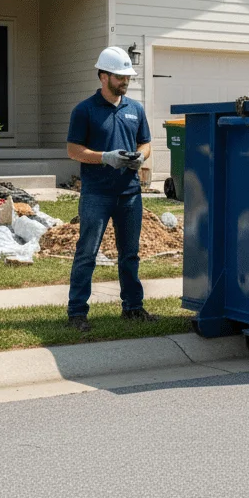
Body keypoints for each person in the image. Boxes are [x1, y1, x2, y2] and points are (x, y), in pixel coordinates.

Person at [64, 46, 158, 332]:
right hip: (97, 194)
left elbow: (146, 143)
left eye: (127, 77)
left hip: (130, 194)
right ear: (103, 76)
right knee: (87, 253)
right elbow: (73, 150)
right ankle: (77, 312)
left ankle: (133, 307)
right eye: (120, 77)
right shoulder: (85, 110)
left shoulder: (135, 109)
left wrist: (141, 156)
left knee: (130, 254)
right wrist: (105, 157)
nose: (125, 81)